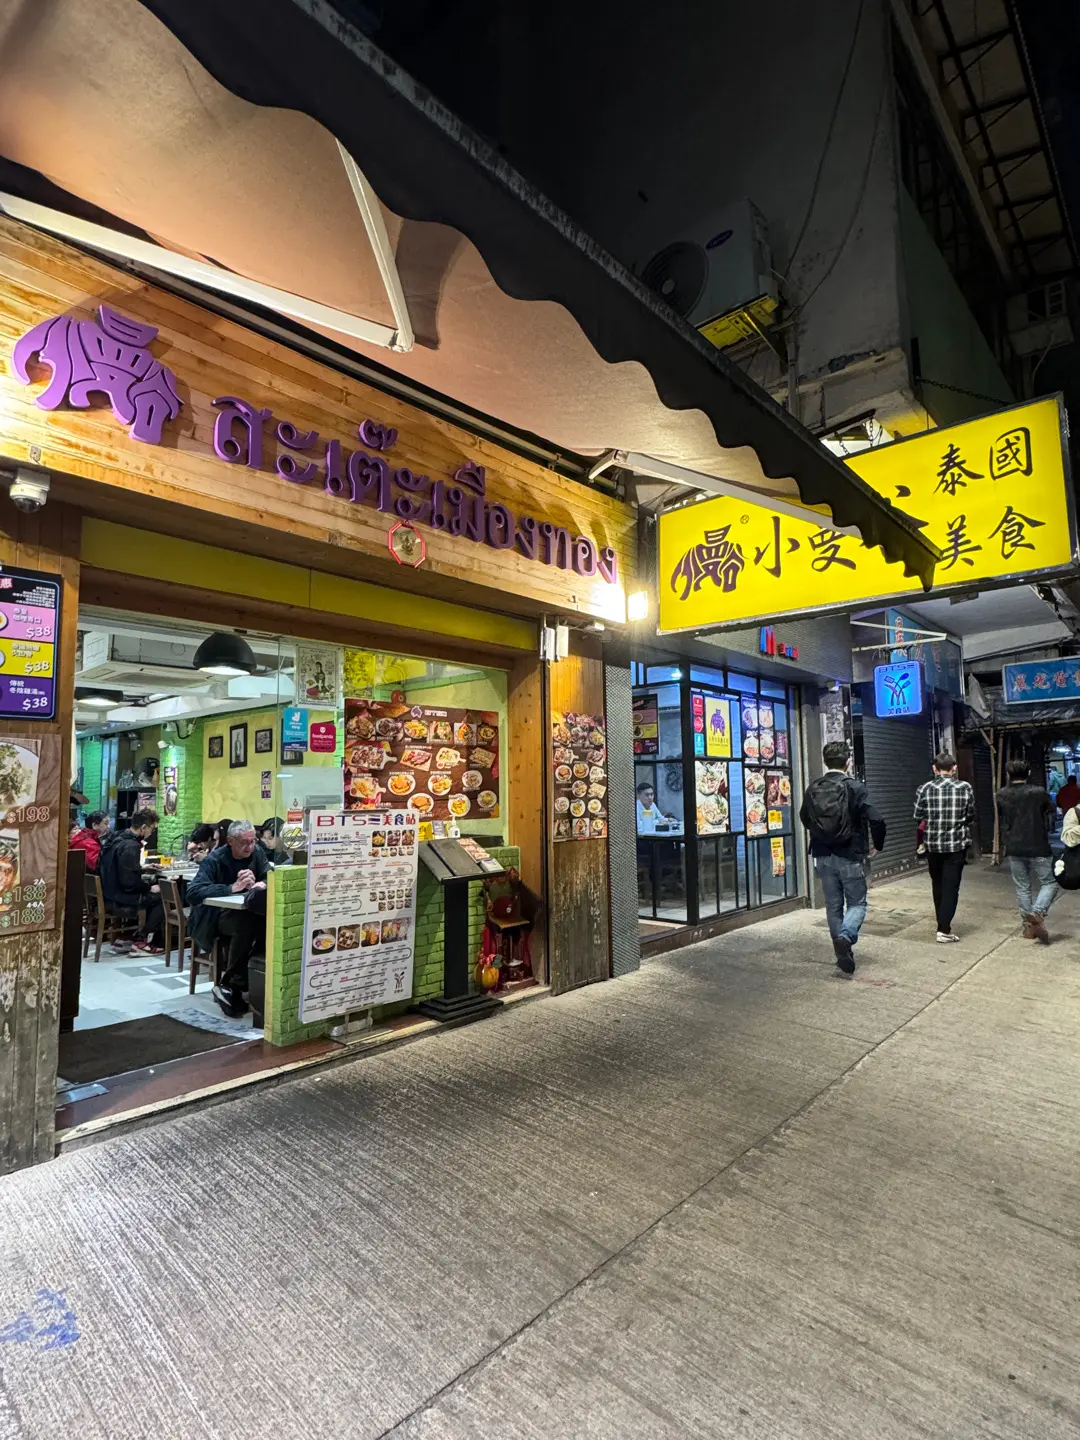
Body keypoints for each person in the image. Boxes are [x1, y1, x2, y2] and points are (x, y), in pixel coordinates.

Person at [799, 741, 886, 974]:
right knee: (857, 902)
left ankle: (841, 952)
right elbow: (877, 819)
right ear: (848, 762)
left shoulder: (813, 788)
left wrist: (822, 835)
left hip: (822, 854)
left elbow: (804, 817)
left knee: (833, 905)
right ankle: (845, 938)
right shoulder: (855, 787)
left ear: (825, 761)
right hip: (850, 854)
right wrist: (877, 845)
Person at [188, 819, 269, 1018]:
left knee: (264, 923)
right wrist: (232, 888)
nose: (250, 847)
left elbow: (270, 874)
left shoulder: (257, 853)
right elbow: (193, 892)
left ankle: (235, 983)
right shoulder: (215, 859)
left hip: (246, 913)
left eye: (253, 841)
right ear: (231, 841)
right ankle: (233, 984)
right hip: (214, 917)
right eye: (244, 843)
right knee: (246, 924)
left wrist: (261, 884)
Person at [913, 752, 976, 943]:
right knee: (951, 886)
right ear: (954, 768)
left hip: (933, 845)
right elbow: (971, 814)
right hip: (956, 845)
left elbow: (917, 815)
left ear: (934, 768)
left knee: (937, 884)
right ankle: (943, 928)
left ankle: (941, 923)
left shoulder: (924, 788)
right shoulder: (965, 788)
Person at [997, 758, 1058, 944]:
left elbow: (1003, 818)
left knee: (1022, 887)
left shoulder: (1001, 794)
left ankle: (1028, 927)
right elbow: (1051, 811)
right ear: (1028, 773)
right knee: (1050, 882)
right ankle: (1037, 912)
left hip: (1014, 845)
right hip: (1038, 844)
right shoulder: (1038, 792)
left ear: (1009, 774)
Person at [98, 809, 164, 954]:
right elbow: (129, 883)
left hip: (109, 893)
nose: (151, 832)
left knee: (148, 891)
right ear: (144, 827)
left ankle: (127, 937)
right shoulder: (130, 846)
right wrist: (148, 888)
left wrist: (141, 869)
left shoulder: (117, 838)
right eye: (152, 828)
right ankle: (142, 940)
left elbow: (120, 868)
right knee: (161, 898)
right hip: (120, 898)